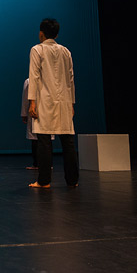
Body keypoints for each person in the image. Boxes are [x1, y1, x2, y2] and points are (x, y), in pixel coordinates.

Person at [27, 18, 78, 190]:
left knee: (44, 141)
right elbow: (71, 80)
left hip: (45, 100)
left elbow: (33, 76)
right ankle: (72, 180)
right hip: (64, 100)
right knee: (67, 142)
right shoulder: (66, 51)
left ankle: (43, 180)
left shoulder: (37, 50)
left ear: (41, 33)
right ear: (56, 34)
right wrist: (71, 102)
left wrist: (32, 102)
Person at [21, 77, 40, 169]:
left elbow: (25, 99)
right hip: (47, 111)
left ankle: (37, 163)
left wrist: (24, 113)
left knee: (35, 138)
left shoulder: (29, 81)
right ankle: (48, 164)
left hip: (35, 110)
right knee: (45, 138)